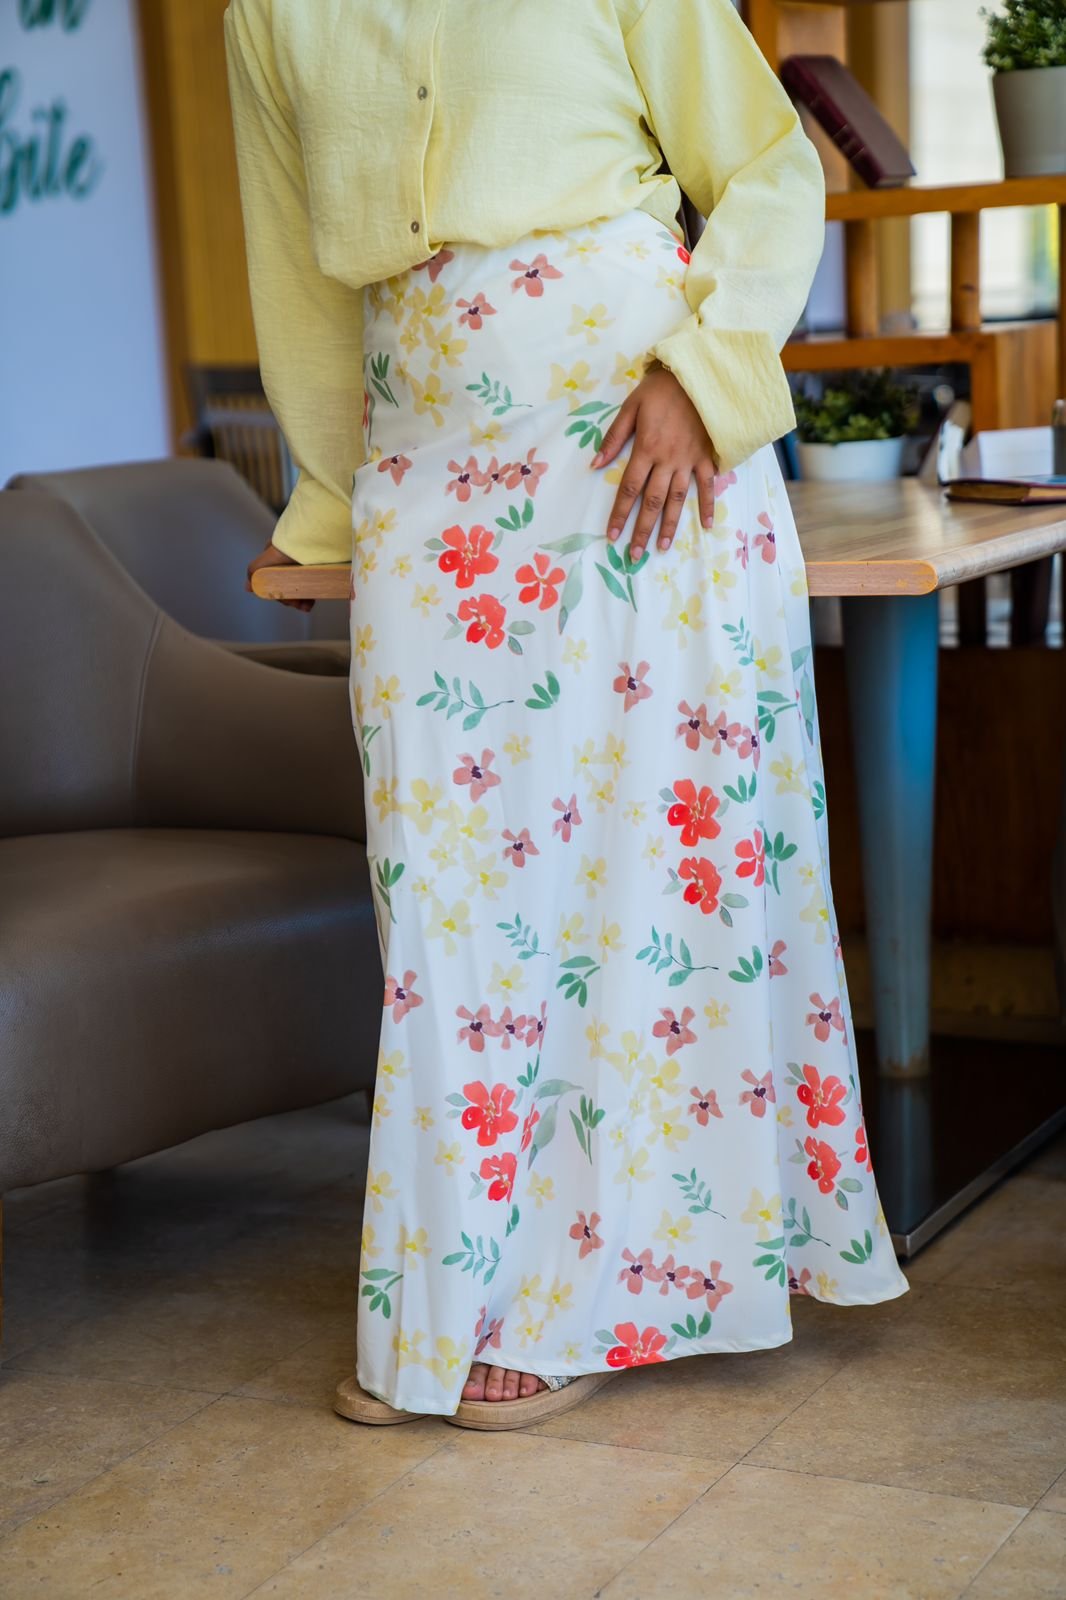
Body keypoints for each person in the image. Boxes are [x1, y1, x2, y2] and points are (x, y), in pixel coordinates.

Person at [223, 0, 910, 1432]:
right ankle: (448, 1297)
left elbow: (768, 167)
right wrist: (339, 515)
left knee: (632, 878)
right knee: (446, 899)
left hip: (641, 453)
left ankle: (577, 1298)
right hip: (429, 474)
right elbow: (297, 279)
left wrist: (704, 378)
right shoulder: (264, 12)